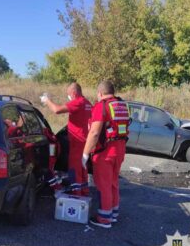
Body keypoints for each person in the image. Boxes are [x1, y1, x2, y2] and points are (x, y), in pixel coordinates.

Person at [82, 80, 130, 228]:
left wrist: (85, 154)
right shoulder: (121, 105)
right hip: (120, 149)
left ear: (100, 93)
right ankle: (113, 214)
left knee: (103, 185)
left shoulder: (101, 106)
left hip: (105, 152)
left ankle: (104, 219)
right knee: (113, 183)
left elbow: (95, 132)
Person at [40, 82, 92, 196]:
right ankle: (84, 191)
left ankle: (76, 194)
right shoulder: (87, 103)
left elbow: (57, 110)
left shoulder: (78, 102)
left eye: (69, 95)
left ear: (73, 93)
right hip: (85, 141)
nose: (69, 97)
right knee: (82, 168)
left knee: (74, 169)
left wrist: (47, 100)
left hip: (77, 142)